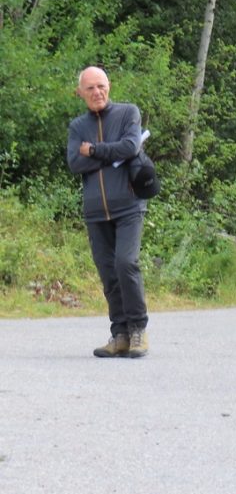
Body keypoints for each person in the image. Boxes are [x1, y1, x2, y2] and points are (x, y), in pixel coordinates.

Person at [67, 66, 151, 357]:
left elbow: (130, 146)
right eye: (89, 88)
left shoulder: (128, 113)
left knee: (126, 263)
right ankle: (120, 334)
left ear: (109, 86)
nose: (96, 92)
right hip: (95, 212)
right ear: (80, 93)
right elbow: (74, 164)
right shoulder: (78, 126)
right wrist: (110, 154)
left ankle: (139, 330)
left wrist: (94, 151)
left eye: (100, 86)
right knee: (108, 272)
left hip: (128, 205)